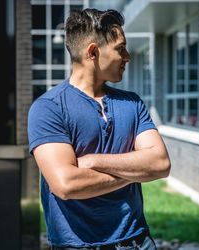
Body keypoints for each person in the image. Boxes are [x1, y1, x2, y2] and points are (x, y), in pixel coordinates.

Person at [27, 8, 171, 250]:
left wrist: (94, 160)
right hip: (77, 245)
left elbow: (160, 164)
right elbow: (67, 185)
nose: (127, 56)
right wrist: (134, 171)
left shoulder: (132, 102)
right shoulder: (48, 108)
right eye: (120, 48)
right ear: (93, 52)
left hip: (137, 241)